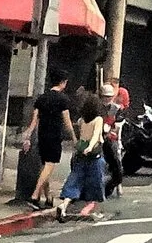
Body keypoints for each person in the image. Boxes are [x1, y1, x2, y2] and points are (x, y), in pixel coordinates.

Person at [20, 73, 76, 211]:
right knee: (49, 166)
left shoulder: (42, 98)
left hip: (42, 135)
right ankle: (35, 195)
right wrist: (74, 137)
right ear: (63, 82)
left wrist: (28, 134)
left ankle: (48, 197)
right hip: (54, 136)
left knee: (45, 166)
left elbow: (34, 120)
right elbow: (67, 121)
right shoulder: (63, 99)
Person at [60, 92, 108, 221]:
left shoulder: (81, 120)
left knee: (75, 180)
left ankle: (64, 205)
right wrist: (90, 147)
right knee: (95, 183)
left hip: (80, 153)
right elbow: (96, 136)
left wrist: (79, 145)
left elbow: (80, 136)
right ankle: (88, 210)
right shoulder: (98, 119)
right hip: (94, 155)